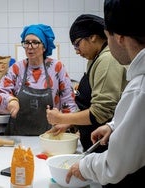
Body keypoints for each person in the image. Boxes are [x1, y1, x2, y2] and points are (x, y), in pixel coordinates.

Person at [65, 0, 145, 187]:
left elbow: (115, 164)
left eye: (107, 36)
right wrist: (114, 126)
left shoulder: (139, 87)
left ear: (119, 38)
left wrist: (84, 167)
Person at [46, 14, 128, 153]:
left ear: (92, 37)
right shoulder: (95, 59)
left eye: (77, 44)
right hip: (95, 142)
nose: (77, 51)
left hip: (105, 144)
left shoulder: (107, 59)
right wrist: (69, 123)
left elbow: (100, 112)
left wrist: (62, 117)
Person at [0, 24, 77, 136]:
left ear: (44, 46)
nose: (29, 46)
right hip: (18, 137)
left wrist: (66, 124)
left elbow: (69, 103)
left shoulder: (57, 67)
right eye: (26, 42)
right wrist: (10, 101)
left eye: (35, 42)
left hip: (50, 136)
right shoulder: (17, 68)